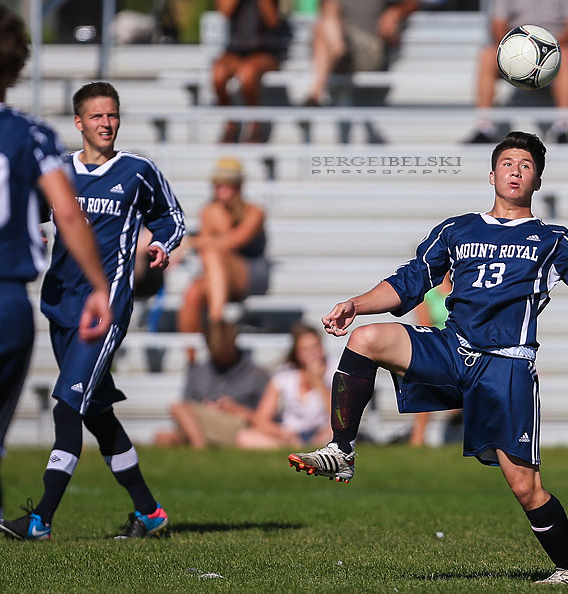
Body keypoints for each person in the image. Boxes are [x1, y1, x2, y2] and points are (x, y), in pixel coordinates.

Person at [287, 131, 568, 585]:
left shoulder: (553, 238)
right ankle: (341, 449)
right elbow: (407, 283)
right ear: (491, 174)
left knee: (525, 486)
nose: (515, 170)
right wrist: (354, 303)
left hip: (505, 366)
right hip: (453, 347)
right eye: (507, 163)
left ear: (537, 180)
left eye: (526, 165)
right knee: (366, 339)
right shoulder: (457, 229)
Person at [0, 81, 186, 542]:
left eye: (113, 115)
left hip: (104, 311)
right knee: (97, 415)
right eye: (97, 116)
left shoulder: (138, 170)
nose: (107, 123)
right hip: (61, 303)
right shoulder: (60, 171)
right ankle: (150, 514)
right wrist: (32, 234)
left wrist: (161, 243)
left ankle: (40, 519)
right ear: (79, 122)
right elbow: (29, 211)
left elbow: (172, 216)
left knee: (67, 406)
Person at [0, 3, 112, 594]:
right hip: (6, 308)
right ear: (15, 63)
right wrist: (100, 286)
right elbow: (69, 213)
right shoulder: (32, 135)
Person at [176, 157, 268, 355]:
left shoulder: (255, 212)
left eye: (228, 185)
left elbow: (235, 241)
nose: (221, 189)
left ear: (239, 186)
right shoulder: (209, 211)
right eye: (218, 185)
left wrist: (191, 242)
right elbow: (209, 250)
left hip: (249, 272)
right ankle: (192, 356)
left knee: (213, 252)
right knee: (192, 293)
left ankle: (216, 321)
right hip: (218, 276)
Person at [466, 0, 568, 144]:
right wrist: (514, 47)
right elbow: (497, 25)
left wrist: (547, 47)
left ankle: (564, 127)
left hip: (557, 46)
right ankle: (484, 127)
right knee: (487, 55)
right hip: (516, 46)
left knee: (566, 56)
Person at [155, 320, 270, 448]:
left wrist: (234, 409)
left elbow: (265, 421)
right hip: (204, 424)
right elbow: (188, 409)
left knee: (178, 408)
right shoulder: (198, 372)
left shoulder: (257, 375)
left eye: (225, 351)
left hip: (238, 427)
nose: (221, 357)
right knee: (162, 437)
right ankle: (197, 442)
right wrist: (208, 408)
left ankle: (199, 447)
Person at [301, 0, 420, 107]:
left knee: (323, 24)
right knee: (327, 14)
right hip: (338, 45)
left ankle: (316, 93)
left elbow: (413, 3)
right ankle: (339, 53)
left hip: (369, 49)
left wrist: (396, 12)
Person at [235, 322, 334, 449]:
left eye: (315, 346)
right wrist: (281, 432)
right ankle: (294, 448)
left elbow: (339, 417)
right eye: (306, 349)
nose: (312, 353)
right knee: (245, 437)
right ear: (297, 353)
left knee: (333, 435)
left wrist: (318, 383)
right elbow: (262, 418)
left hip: (322, 432)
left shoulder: (334, 369)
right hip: (291, 434)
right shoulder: (285, 375)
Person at [212, 0, 292, 143]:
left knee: (247, 74)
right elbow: (225, 12)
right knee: (218, 73)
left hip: (267, 51)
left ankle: (255, 125)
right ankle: (231, 123)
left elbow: (272, 21)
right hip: (236, 50)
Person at [407, 273, 455, 446]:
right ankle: (417, 439)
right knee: (425, 385)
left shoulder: (461, 289)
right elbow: (424, 327)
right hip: (437, 348)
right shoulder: (427, 294)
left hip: (461, 349)